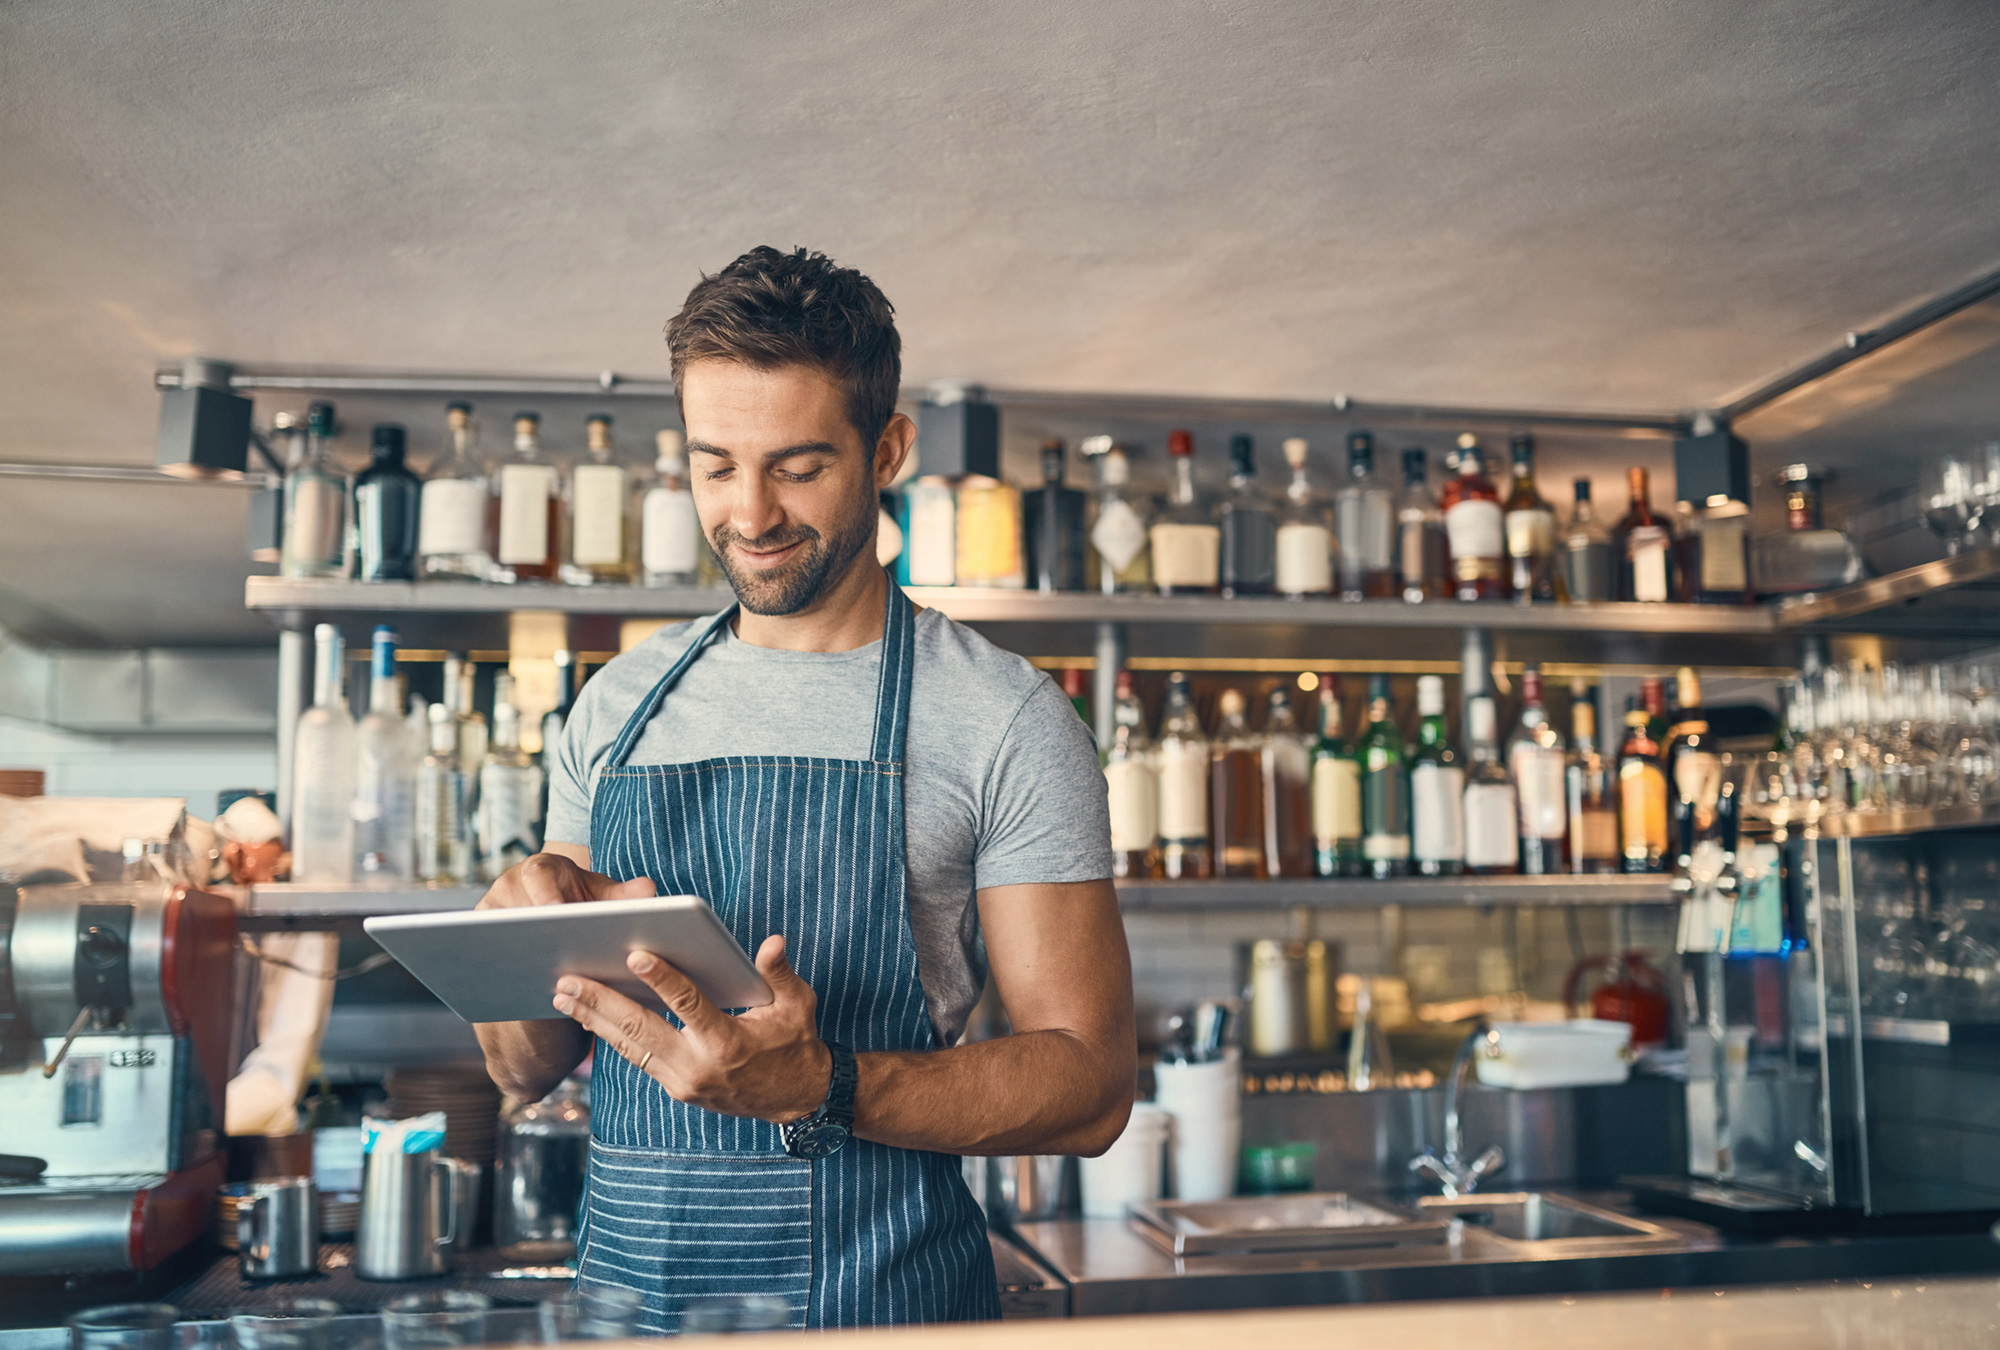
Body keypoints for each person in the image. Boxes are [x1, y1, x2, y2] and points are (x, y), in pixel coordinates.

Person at [473, 246, 1134, 1331]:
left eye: (797, 465)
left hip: (880, 1309)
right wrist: (509, 952)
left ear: (886, 450)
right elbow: (529, 1067)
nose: (750, 512)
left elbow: (1092, 1086)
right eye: (714, 465)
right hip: (628, 1314)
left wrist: (821, 1085)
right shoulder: (616, 707)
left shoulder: (1002, 716)